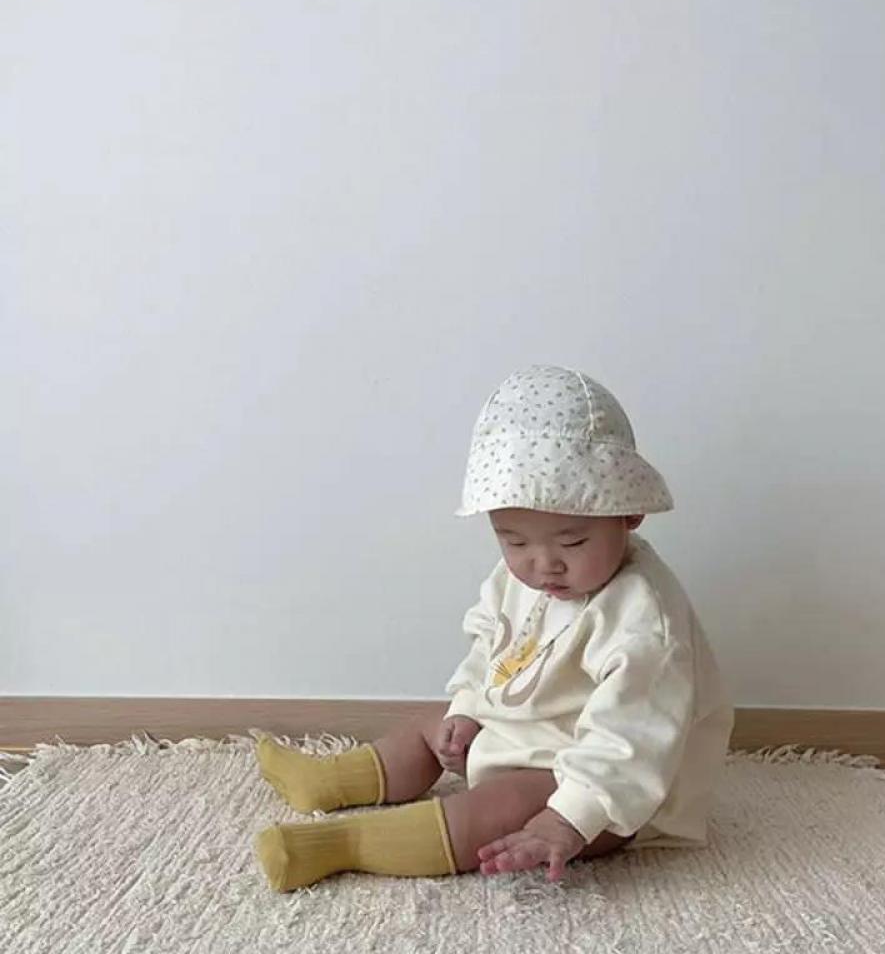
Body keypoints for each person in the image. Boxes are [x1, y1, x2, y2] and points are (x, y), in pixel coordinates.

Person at [253, 364, 734, 891]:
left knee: (498, 807)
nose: (543, 565)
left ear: (629, 514)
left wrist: (568, 818)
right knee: (431, 725)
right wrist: (467, 709)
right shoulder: (520, 580)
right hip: (522, 735)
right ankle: (328, 781)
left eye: (572, 542)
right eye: (514, 540)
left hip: (604, 786)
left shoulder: (644, 621)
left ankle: (345, 844)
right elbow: (492, 645)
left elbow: (631, 739)